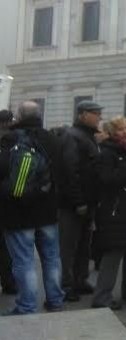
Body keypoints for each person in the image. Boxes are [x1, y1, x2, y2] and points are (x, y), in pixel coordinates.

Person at [0, 101, 65, 314]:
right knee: (52, 258)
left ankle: (27, 305)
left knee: (23, 261)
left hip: (18, 212)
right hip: (47, 211)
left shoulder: (10, 139)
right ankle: (55, 301)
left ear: (18, 116)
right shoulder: (53, 139)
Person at [91, 116, 126, 311]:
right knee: (113, 254)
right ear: (112, 133)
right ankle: (102, 297)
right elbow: (109, 179)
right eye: (120, 129)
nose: (125, 132)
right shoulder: (108, 153)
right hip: (114, 212)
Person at [59, 100, 103, 302]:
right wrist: (78, 201)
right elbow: (70, 171)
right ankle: (66, 285)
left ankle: (80, 279)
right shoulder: (72, 136)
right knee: (69, 246)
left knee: (84, 244)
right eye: (95, 113)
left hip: (88, 201)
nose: (99, 117)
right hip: (73, 204)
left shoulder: (87, 136)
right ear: (83, 115)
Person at [0, 109, 17, 295]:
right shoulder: (15, 140)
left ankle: (9, 281)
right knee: (5, 244)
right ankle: (9, 281)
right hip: (8, 198)